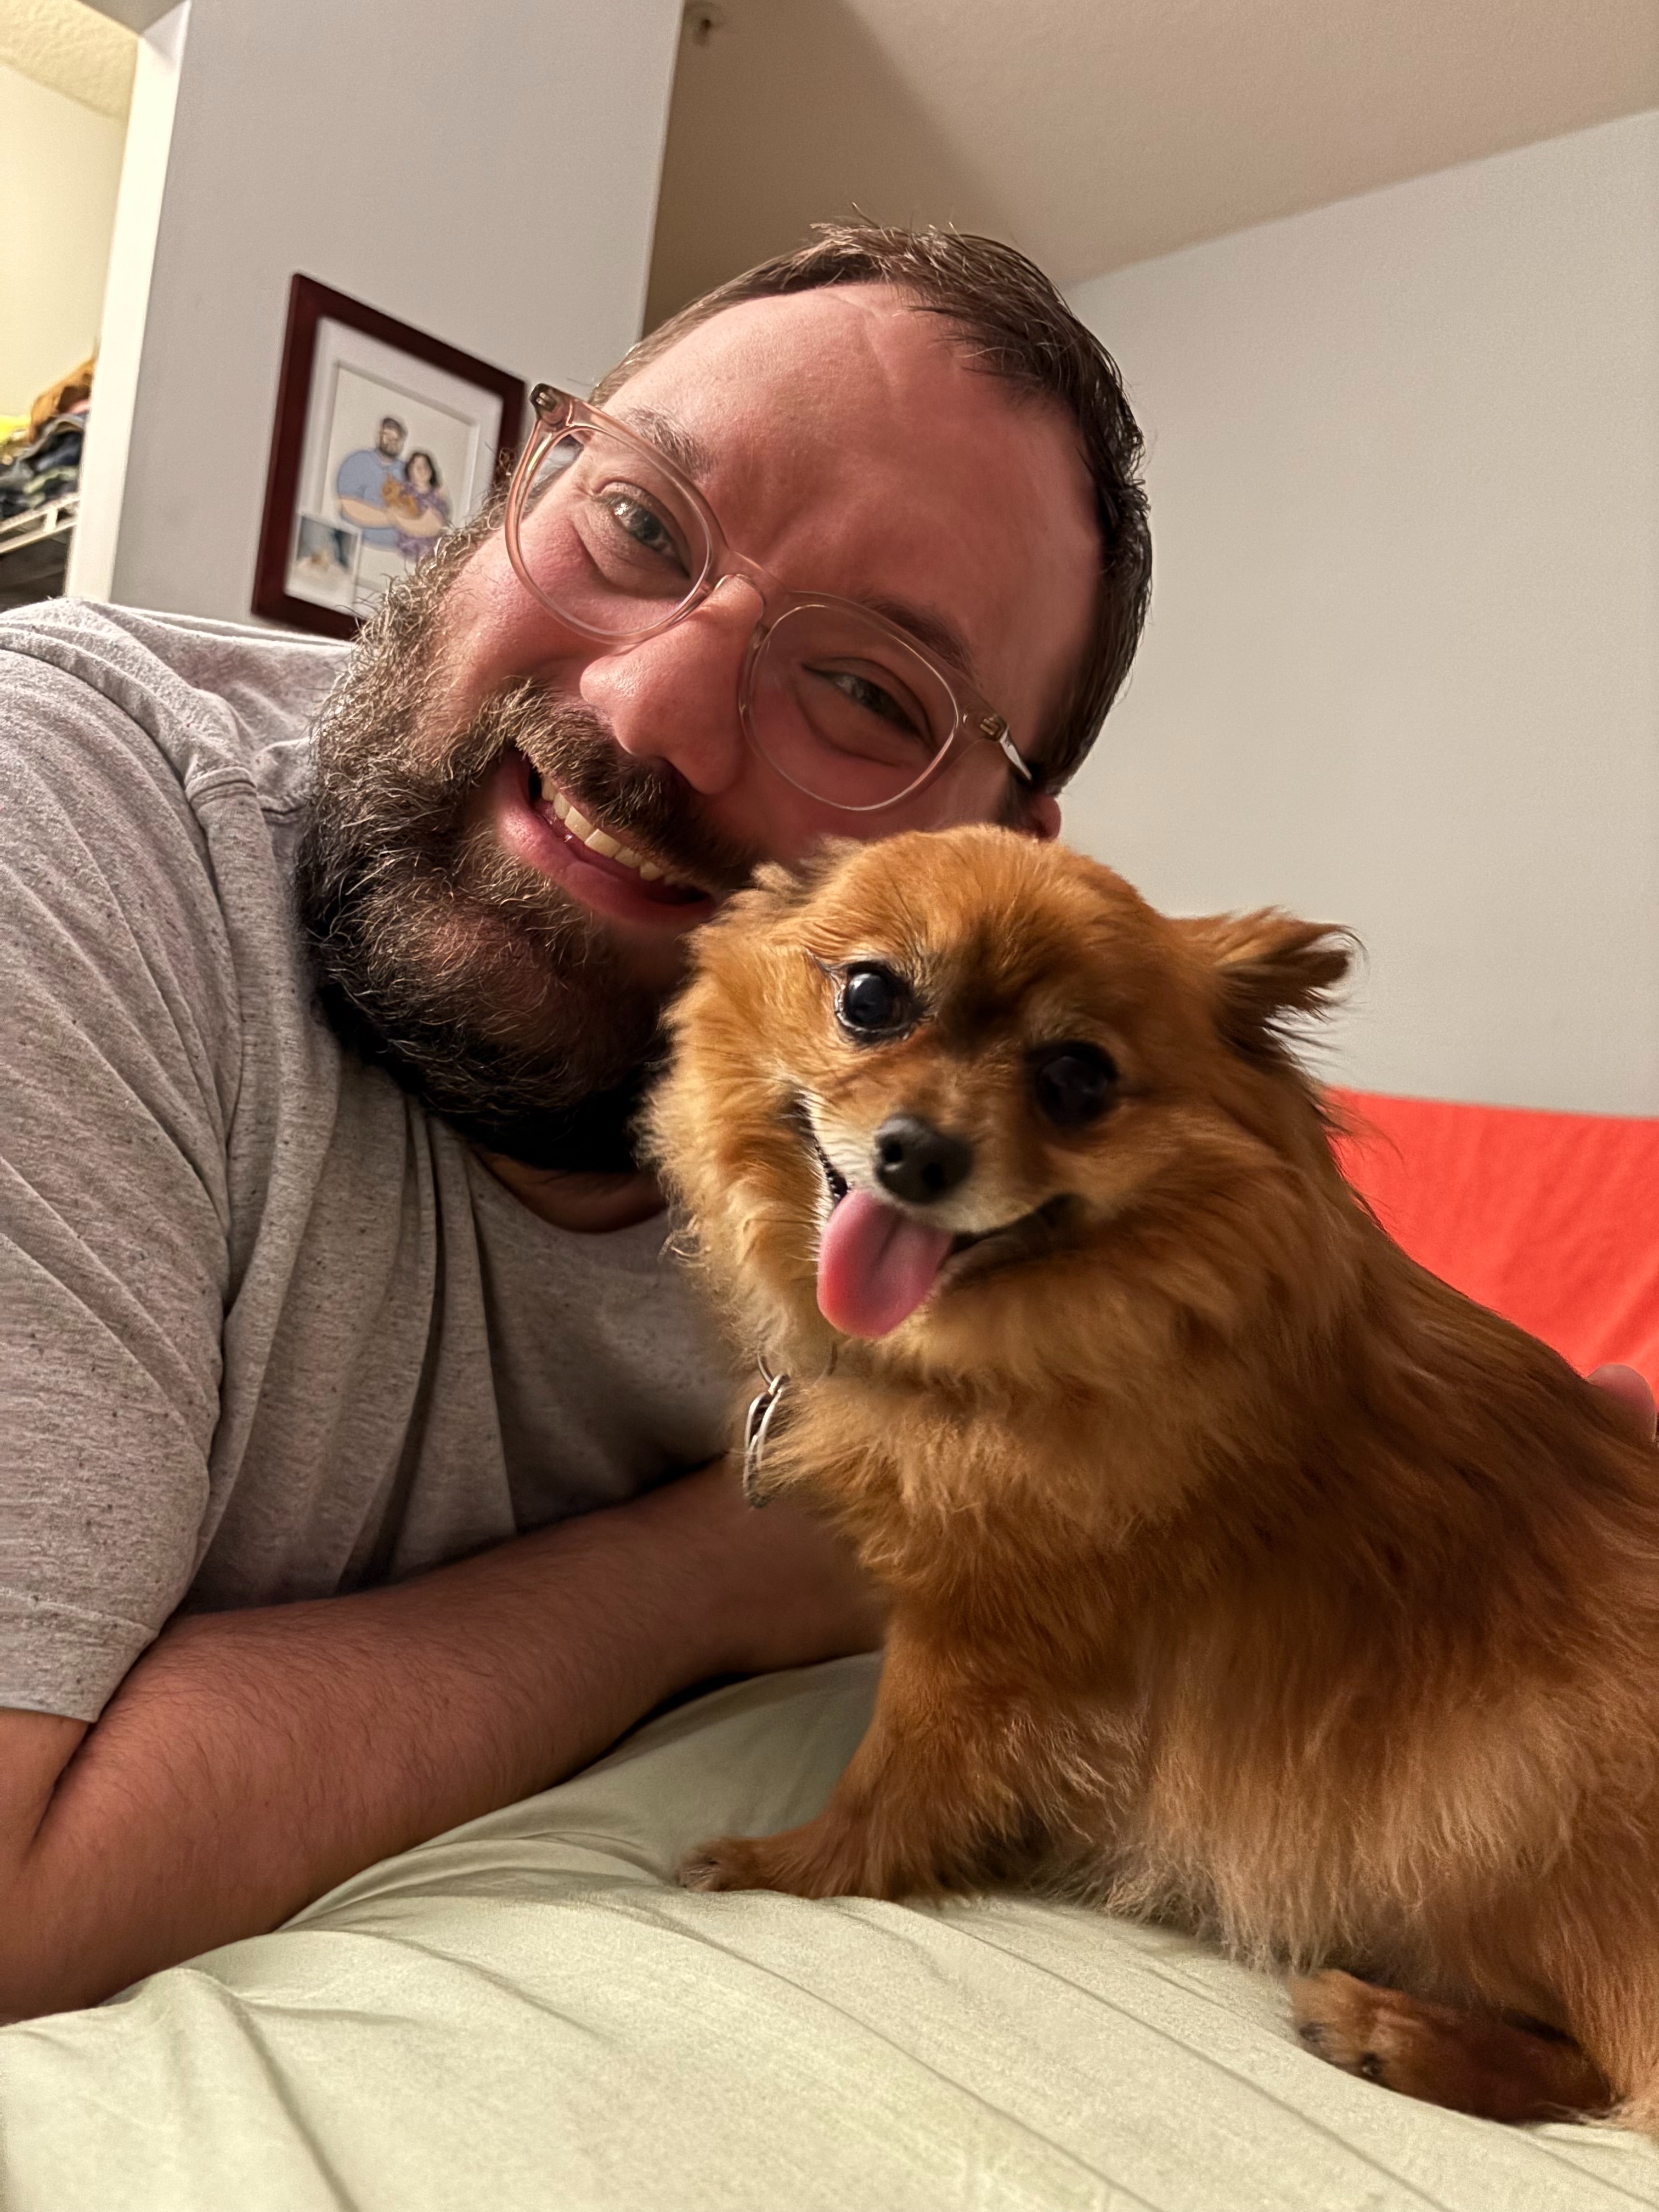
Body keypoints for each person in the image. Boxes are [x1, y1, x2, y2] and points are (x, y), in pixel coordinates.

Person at [0, 224, 1644, 2029]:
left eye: (868, 692)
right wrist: (711, 1568)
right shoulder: (64, 827)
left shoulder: (1073, 1280)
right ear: (518, 479)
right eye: (638, 520)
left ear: (988, 831)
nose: (648, 709)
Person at [335, 413, 409, 547]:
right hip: (358, 545)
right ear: (379, 435)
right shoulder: (357, 461)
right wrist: (395, 518)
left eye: (397, 438)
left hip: (398, 551)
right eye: (388, 435)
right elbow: (349, 506)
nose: (392, 441)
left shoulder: (408, 471)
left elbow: (415, 510)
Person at [385, 447, 451, 562]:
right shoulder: (404, 492)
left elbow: (440, 523)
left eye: (426, 466)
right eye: (418, 467)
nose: (423, 470)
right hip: (407, 549)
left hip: (431, 552)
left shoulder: (437, 496)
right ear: (410, 470)